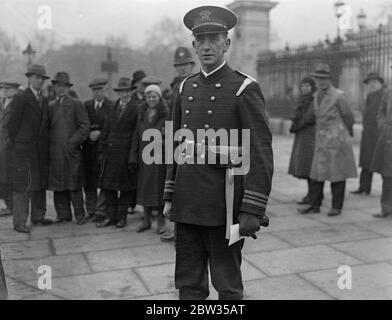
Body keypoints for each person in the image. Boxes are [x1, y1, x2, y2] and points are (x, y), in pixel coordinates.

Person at [163, 5, 273, 300]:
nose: (207, 46)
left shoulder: (243, 88)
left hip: (223, 206)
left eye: (215, 39)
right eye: (201, 40)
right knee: (189, 284)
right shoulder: (185, 87)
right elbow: (175, 144)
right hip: (187, 203)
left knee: (227, 286)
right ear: (194, 45)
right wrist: (169, 195)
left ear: (227, 43)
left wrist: (252, 207)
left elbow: (259, 151)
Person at [302, 64, 357, 216]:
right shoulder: (316, 95)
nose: (321, 82)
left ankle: (336, 207)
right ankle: (314, 204)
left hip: (336, 140)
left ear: (330, 80)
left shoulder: (338, 96)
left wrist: (346, 134)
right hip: (320, 139)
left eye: (324, 79)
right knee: (316, 174)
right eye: (319, 79)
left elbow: (348, 116)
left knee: (337, 175)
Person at [7, 65, 52, 233]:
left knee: (39, 182)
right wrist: (18, 143)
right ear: (29, 78)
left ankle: (38, 216)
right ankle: (19, 222)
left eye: (42, 78)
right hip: (24, 148)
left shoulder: (44, 99)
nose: (39, 81)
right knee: (23, 184)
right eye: (36, 77)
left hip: (39, 149)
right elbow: (12, 124)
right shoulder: (21, 98)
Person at [160, 46, 196, 242]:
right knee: (173, 183)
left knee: (186, 185)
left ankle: (180, 230)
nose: (183, 69)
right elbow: (171, 112)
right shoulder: (175, 86)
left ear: (192, 65)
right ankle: (173, 228)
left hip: (189, 139)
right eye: (179, 65)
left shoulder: (196, 83)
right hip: (174, 138)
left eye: (186, 65)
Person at [48, 72, 90, 225]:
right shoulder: (51, 105)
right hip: (55, 151)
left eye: (64, 86)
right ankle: (63, 215)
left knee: (74, 184)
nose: (61, 89)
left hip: (70, 151)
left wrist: (73, 142)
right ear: (54, 87)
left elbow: (85, 126)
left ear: (68, 88)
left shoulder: (76, 104)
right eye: (58, 86)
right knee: (58, 185)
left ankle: (80, 215)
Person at [97, 78, 138, 228]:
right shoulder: (112, 107)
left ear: (131, 91)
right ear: (118, 93)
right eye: (122, 91)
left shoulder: (136, 108)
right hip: (111, 153)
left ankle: (121, 218)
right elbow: (106, 130)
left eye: (127, 91)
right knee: (109, 187)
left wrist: (133, 155)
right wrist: (101, 150)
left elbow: (136, 134)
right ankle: (110, 216)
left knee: (126, 188)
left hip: (126, 154)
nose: (125, 94)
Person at [129, 84, 169, 233]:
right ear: (145, 98)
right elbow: (136, 136)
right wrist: (132, 156)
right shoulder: (141, 113)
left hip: (160, 158)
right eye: (148, 96)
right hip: (144, 157)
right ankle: (146, 220)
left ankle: (160, 221)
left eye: (154, 96)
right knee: (145, 188)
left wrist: (160, 141)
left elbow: (171, 136)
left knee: (159, 189)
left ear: (159, 98)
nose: (151, 99)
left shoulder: (166, 114)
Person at [82, 78, 113, 222]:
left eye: (100, 89)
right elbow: (81, 123)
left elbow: (114, 127)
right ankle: (91, 210)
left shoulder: (111, 106)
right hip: (88, 149)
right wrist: (88, 134)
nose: (97, 93)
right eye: (94, 90)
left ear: (105, 90)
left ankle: (102, 210)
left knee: (104, 179)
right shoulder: (86, 105)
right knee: (89, 181)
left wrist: (100, 133)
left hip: (104, 149)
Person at [351, 72, 385, 196]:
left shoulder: (385, 95)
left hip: (380, 134)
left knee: (383, 163)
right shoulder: (369, 96)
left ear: (381, 83)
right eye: (370, 83)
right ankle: (364, 187)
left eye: (374, 82)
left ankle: (388, 191)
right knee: (366, 162)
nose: (372, 85)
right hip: (368, 134)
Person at [288, 77, 317, 206]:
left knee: (309, 165)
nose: (305, 88)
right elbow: (295, 113)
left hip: (310, 134)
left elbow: (310, 116)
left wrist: (297, 124)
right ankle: (310, 195)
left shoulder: (314, 99)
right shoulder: (302, 99)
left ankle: (313, 196)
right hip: (302, 135)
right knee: (305, 165)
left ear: (312, 87)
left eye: (307, 86)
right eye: (303, 86)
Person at [370, 84, 392, 218]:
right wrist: (383, 124)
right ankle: (386, 208)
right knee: (387, 174)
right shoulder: (388, 93)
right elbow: (381, 111)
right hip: (388, 137)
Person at [0, 81, 20, 217]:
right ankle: (7, 205)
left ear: (15, 90)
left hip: (9, 146)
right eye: (4, 89)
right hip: (2, 145)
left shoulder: (16, 104)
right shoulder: (4, 102)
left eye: (8, 89)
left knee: (9, 176)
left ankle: (11, 207)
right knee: (3, 175)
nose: (5, 91)